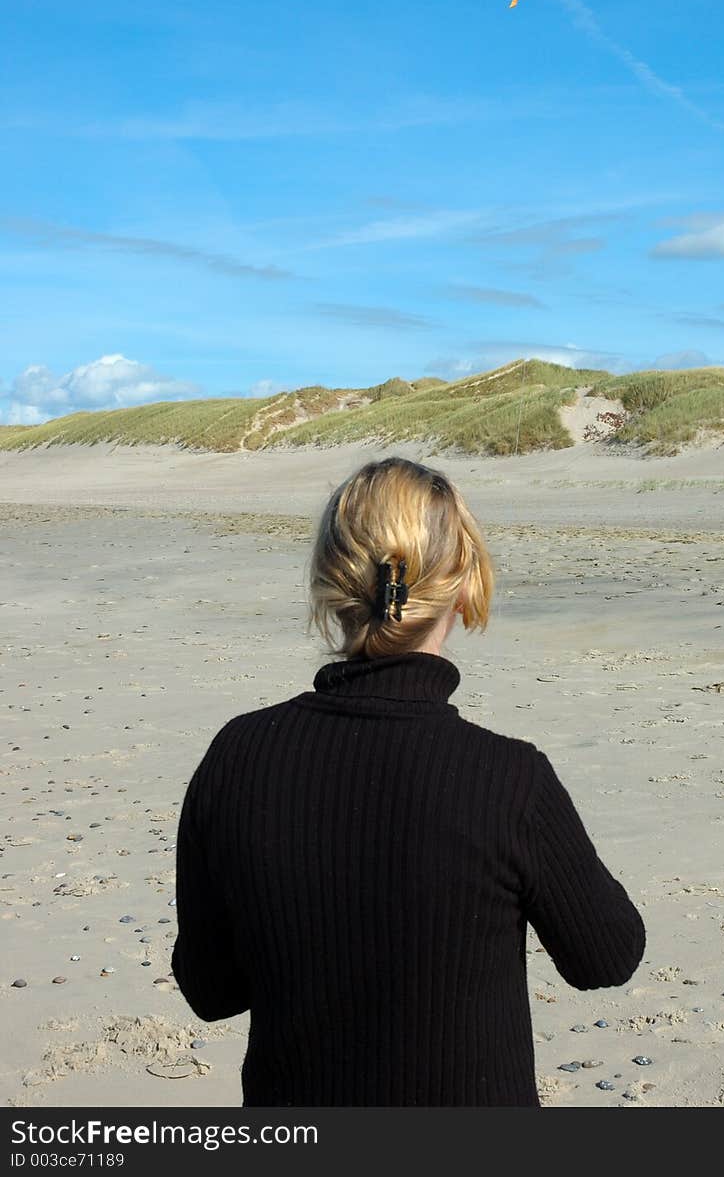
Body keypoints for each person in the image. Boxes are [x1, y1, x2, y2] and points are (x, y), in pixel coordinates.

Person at [171, 456, 645, 1106]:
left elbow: (210, 990)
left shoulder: (238, 757)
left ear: (329, 583)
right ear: (460, 583)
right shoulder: (506, 780)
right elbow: (608, 954)